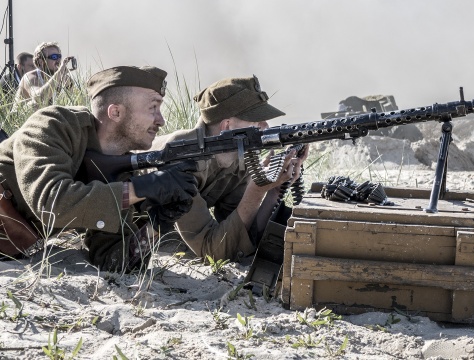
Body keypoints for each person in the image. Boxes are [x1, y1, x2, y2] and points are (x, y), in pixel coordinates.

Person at [0, 65, 198, 272]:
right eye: (153, 108)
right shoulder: (53, 125)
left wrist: (158, 224)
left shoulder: (119, 171)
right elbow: (52, 204)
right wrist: (141, 188)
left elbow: (112, 261)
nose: (161, 120)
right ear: (116, 112)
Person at [149, 75, 307, 262]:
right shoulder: (180, 157)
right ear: (227, 126)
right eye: (256, 120)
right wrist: (255, 191)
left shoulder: (238, 157)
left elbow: (238, 230)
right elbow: (211, 251)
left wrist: (273, 189)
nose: (265, 127)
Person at [11, 42, 75, 113]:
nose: (58, 61)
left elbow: (73, 101)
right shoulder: (31, 76)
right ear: (41, 61)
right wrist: (59, 73)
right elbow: (39, 98)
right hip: (22, 120)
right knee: (33, 104)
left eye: (59, 56)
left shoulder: (63, 78)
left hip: (49, 120)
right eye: (54, 57)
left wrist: (67, 83)